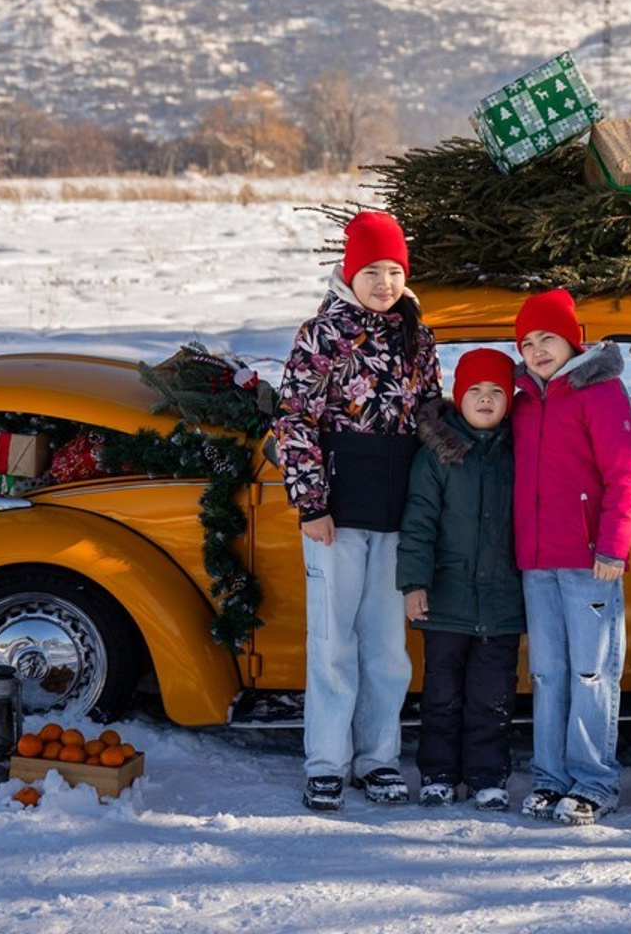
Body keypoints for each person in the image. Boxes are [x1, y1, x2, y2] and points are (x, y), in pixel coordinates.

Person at [273, 210, 441, 812]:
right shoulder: (323, 334)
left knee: (386, 647)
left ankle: (378, 759)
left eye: (394, 271)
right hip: (337, 513)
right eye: (372, 271)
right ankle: (327, 761)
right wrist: (311, 503)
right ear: (350, 273)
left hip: (395, 513)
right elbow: (295, 420)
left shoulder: (416, 335)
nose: (384, 283)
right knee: (333, 641)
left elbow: (427, 416)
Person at [511, 288, 631, 826]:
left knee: (592, 673)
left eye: (548, 338)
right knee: (546, 673)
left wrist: (614, 545)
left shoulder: (600, 392)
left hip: (591, 560)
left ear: (572, 340)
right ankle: (550, 778)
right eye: (527, 342)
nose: (538, 350)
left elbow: (625, 476)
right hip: (537, 559)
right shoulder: (521, 397)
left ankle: (594, 781)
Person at [396, 347, 523, 811]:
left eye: (496, 392)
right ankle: (438, 773)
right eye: (476, 391)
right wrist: (413, 584)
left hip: (502, 600)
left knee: (492, 697)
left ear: (509, 400)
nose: (486, 400)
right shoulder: (438, 455)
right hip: (445, 600)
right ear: (458, 397)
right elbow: (419, 522)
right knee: (442, 696)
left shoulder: (519, 452)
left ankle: (489, 776)